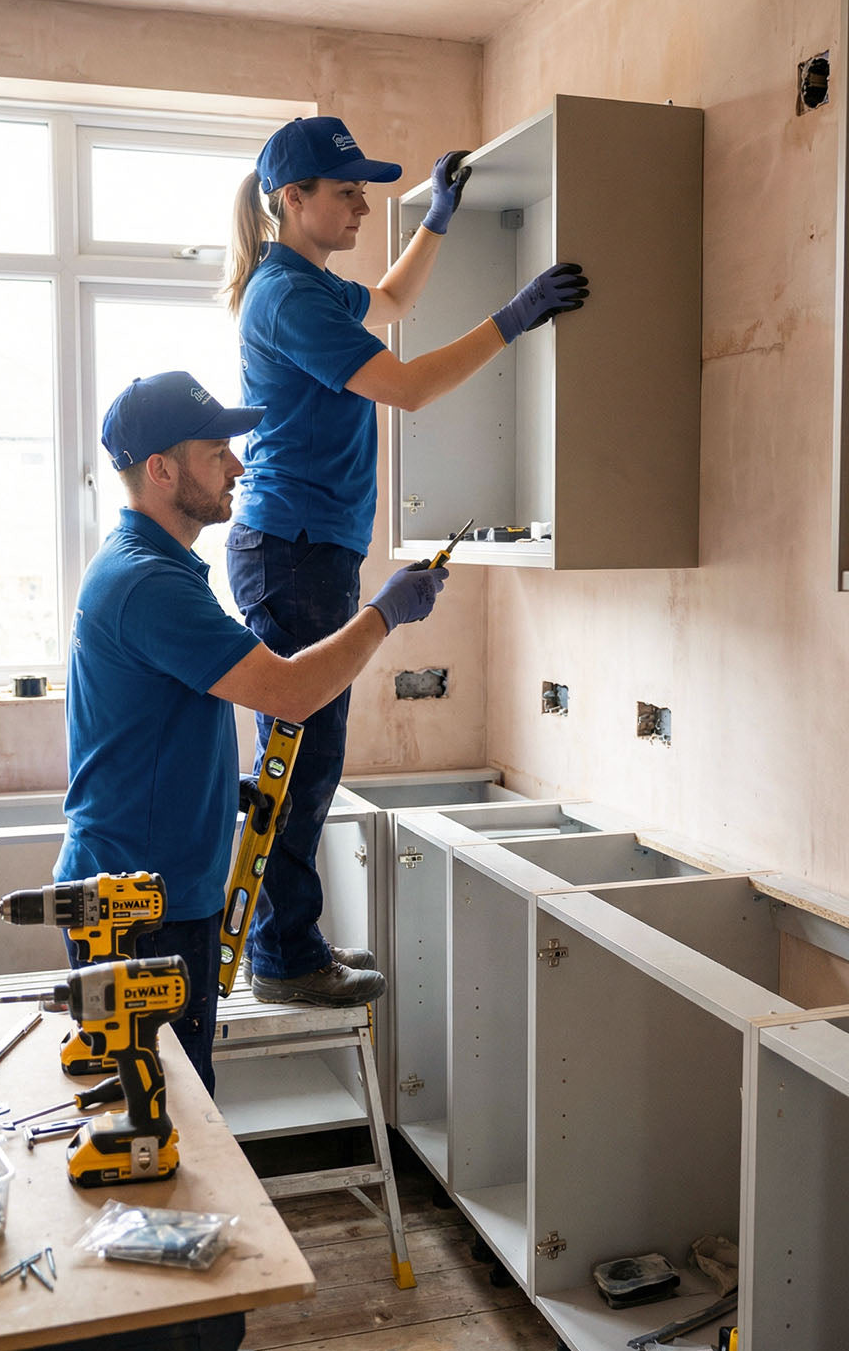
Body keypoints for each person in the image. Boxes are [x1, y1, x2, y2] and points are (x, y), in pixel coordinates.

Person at [54, 368, 446, 1351]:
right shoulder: (149, 580)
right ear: (161, 469)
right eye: (218, 450)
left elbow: (169, 716)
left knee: (169, 1131)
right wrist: (383, 617)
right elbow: (288, 688)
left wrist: (213, 784)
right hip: (133, 914)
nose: (238, 463)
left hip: (152, 900)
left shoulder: (155, 571)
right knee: (159, 1141)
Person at [222, 114, 588, 1006]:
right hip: (293, 551)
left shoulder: (307, 283)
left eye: (364, 190)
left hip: (307, 548)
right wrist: (512, 319)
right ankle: (283, 956)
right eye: (345, 191)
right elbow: (409, 387)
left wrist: (439, 220)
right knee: (303, 765)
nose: (360, 204)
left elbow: (387, 305)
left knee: (305, 760)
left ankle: (288, 943)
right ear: (291, 198)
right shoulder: (288, 297)